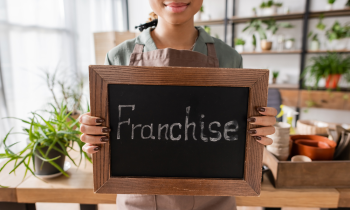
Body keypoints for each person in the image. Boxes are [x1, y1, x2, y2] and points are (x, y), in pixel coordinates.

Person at [79, 0, 277, 209]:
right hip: (139, 203)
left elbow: (237, 138)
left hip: (214, 201)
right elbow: (108, 144)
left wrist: (256, 130)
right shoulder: (118, 57)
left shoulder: (230, 58)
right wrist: (94, 133)